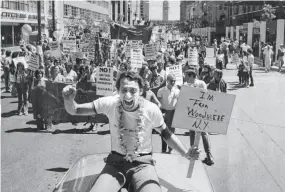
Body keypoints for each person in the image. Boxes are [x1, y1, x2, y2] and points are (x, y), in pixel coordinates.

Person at [62, 71, 200, 192]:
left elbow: (166, 134)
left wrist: (186, 153)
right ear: (118, 91)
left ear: (140, 91)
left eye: (133, 91)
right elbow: (75, 110)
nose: (128, 95)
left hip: (143, 165)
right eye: (124, 90)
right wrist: (68, 100)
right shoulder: (110, 103)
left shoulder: (151, 109)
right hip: (115, 164)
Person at [183, 69, 214, 166]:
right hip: (191, 112)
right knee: (192, 132)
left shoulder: (201, 83)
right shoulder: (186, 84)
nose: (185, 78)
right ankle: (194, 155)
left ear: (192, 76)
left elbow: (205, 97)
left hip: (200, 112)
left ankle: (209, 156)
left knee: (203, 133)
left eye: (187, 76)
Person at [157, 74, 180, 154]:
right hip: (164, 112)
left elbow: (179, 102)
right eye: (171, 81)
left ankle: (170, 149)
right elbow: (158, 103)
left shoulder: (177, 90)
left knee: (172, 132)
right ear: (167, 81)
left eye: (174, 81)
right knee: (164, 131)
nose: (173, 82)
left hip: (173, 113)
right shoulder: (161, 90)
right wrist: (160, 113)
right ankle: (163, 149)